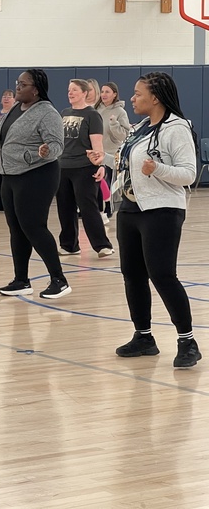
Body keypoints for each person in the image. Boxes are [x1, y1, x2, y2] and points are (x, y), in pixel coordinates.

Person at [110, 72, 200, 368]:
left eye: (137, 94)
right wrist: (105, 158)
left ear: (156, 98)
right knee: (132, 274)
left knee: (162, 274)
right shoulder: (139, 128)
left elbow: (188, 174)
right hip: (130, 209)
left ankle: (187, 341)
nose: (132, 98)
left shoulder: (176, 128)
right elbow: (130, 163)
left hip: (161, 210)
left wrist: (158, 169)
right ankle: (144, 337)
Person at [0, 69, 71, 299]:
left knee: (34, 227)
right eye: (18, 83)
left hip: (37, 175)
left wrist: (47, 151)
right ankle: (21, 280)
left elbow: (57, 145)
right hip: (10, 175)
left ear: (35, 89)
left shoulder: (47, 113)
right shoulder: (16, 109)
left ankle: (59, 280)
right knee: (16, 229)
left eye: (23, 84)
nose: (17, 87)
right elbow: (6, 140)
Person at [56, 79, 113, 258]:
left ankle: (103, 245)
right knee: (65, 208)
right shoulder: (64, 113)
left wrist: (101, 164)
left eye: (74, 90)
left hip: (84, 167)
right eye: (68, 90)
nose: (70, 93)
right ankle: (69, 245)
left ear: (84, 93)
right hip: (63, 167)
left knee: (88, 208)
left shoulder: (92, 115)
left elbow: (97, 144)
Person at [94, 82, 131, 221]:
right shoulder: (95, 109)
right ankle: (97, 209)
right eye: (102, 91)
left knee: (108, 183)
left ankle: (109, 207)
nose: (104, 94)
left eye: (107, 92)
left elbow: (124, 135)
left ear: (114, 94)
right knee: (97, 182)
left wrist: (114, 124)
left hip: (111, 153)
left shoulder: (120, 112)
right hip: (97, 152)